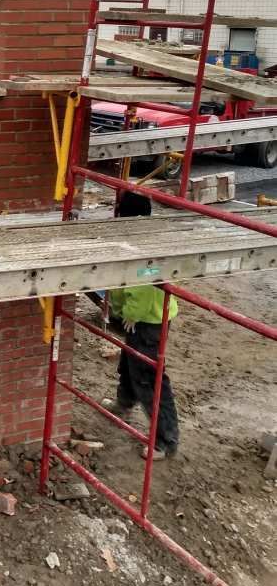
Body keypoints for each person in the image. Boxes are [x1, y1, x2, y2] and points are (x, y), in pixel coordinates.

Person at [103, 191, 180, 460]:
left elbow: (144, 284)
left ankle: (165, 440)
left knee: (149, 376)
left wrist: (129, 313)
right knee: (128, 362)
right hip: (145, 315)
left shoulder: (143, 245)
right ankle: (124, 403)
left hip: (147, 318)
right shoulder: (141, 236)